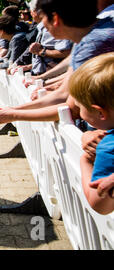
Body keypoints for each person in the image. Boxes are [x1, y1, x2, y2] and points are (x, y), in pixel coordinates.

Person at [0, 0, 114, 125]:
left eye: (42, 18)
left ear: (55, 19)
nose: (41, 24)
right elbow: (64, 90)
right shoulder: (93, 35)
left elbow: (69, 105)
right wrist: (13, 110)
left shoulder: (91, 45)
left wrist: (14, 114)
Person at [68, 52, 114, 215]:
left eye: (79, 107)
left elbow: (98, 203)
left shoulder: (108, 148)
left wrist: (85, 160)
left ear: (100, 113)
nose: (78, 111)